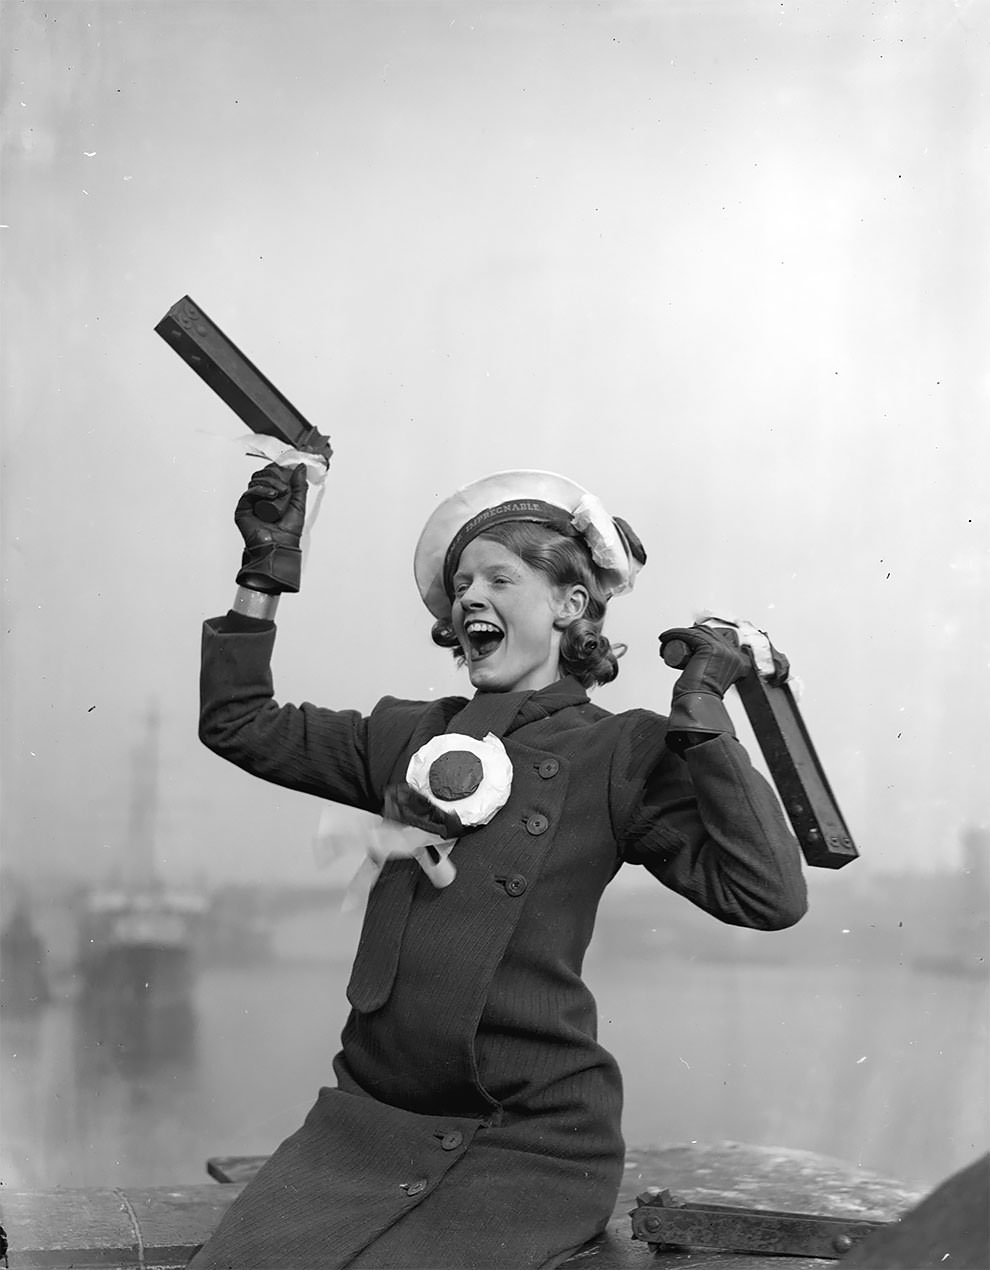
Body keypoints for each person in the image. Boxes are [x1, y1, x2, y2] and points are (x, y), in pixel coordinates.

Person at [190, 465, 807, 1270]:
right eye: (461, 584)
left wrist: (701, 710)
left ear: (569, 604)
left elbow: (768, 896)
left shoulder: (619, 754)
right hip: (366, 1130)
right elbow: (237, 722)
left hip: (531, 1143)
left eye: (499, 577)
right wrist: (263, 569)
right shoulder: (409, 736)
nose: (468, 597)